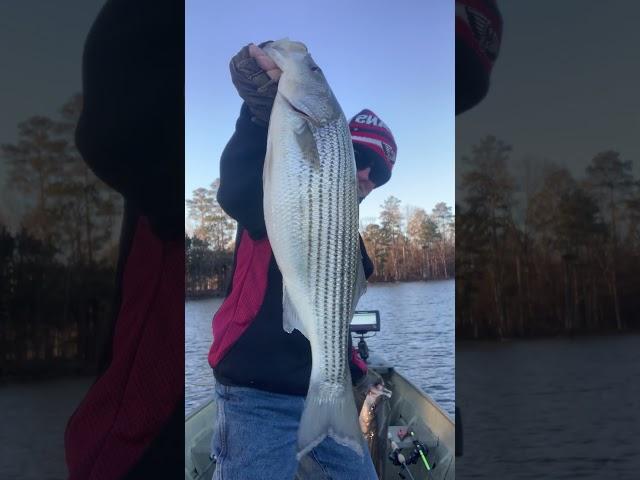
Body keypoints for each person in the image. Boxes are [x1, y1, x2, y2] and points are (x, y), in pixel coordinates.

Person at [208, 41, 398, 480]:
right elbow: (235, 190)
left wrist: (357, 371)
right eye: (363, 158)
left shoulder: (354, 252)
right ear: (336, 151)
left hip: (319, 391)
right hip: (253, 393)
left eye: (381, 172)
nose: (369, 174)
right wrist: (257, 116)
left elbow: (330, 326)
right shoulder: (274, 198)